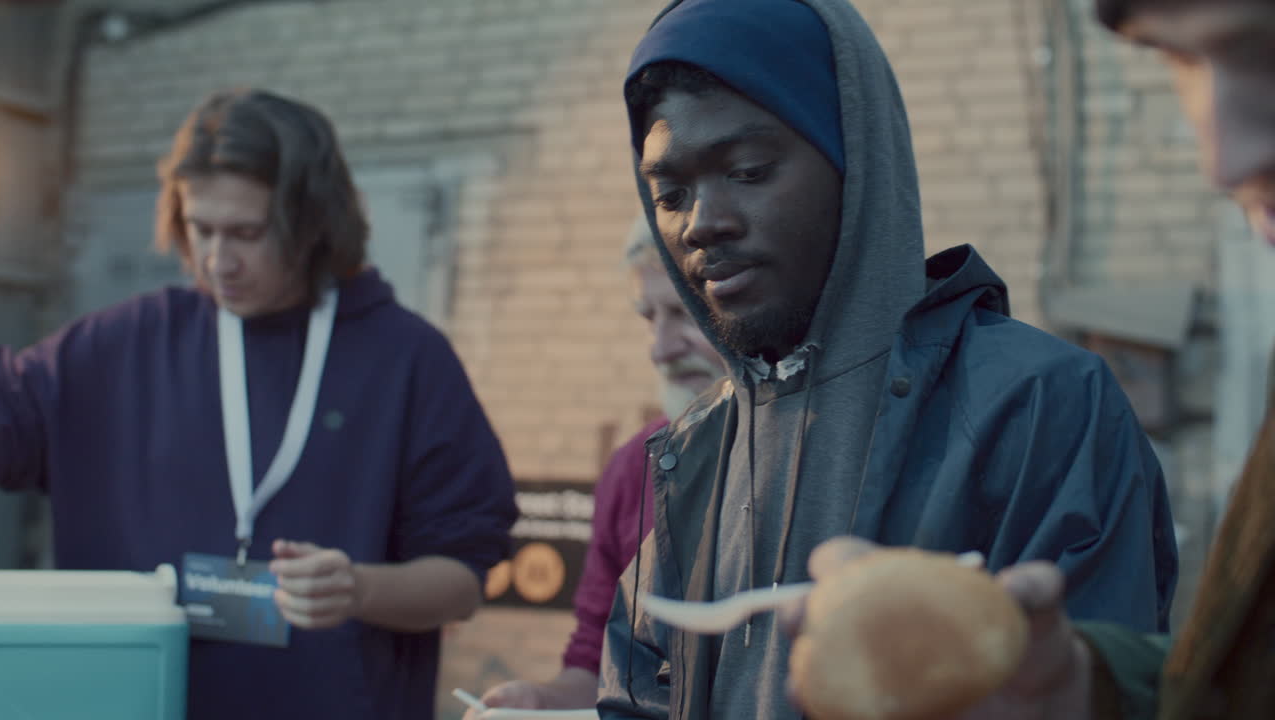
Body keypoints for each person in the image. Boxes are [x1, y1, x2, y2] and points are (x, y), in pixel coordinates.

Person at [597, 1, 1180, 718]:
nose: (702, 222)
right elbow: (636, 695)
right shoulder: (696, 451)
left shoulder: (1039, 403)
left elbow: (1093, 687)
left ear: (856, 162)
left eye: (748, 170)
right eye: (670, 193)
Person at [784, 1, 1275, 719]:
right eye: (1179, 61)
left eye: (1263, 52)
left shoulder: (1049, 393)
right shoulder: (687, 449)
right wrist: (1085, 690)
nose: (1222, 160)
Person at [0, 89, 518, 720]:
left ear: (313, 220)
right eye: (200, 228)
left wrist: (358, 588)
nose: (219, 260)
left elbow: (461, 581)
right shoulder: (121, 345)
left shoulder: (407, 360)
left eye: (246, 232)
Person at [464, 220, 727, 717]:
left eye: (684, 313)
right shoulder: (634, 468)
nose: (660, 348)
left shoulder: (814, 456)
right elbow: (595, 661)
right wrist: (541, 702)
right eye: (650, 319)